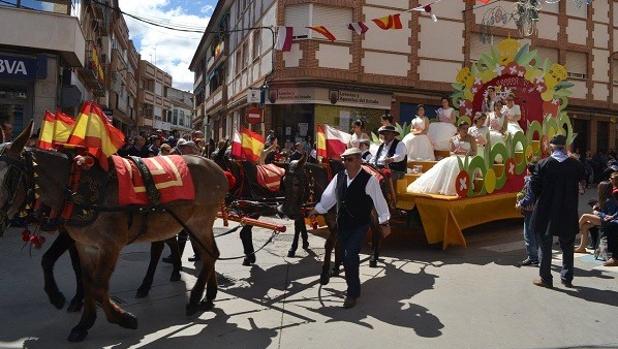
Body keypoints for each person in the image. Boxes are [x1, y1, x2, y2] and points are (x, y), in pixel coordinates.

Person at [309, 147, 390, 309]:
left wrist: (384, 222)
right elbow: (328, 197)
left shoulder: (369, 180)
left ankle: (352, 293)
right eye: (344, 159)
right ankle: (352, 286)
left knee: (349, 255)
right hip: (343, 223)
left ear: (359, 160)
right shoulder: (339, 177)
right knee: (345, 255)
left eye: (350, 159)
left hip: (360, 224)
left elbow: (380, 202)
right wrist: (317, 209)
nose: (346, 162)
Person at [529, 134, 586, 288]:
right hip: (567, 209)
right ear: (564, 146)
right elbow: (583, 182)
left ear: (552, 146)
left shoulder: (543, 164)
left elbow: (534, 188)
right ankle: (567, 278)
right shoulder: (576, 165)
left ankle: (546, 278)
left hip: (546, 210)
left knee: (545, 245)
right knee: (567, 245)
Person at [407, 121, 477, 196]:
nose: (465, 130)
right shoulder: (453, 139)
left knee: (458, 165)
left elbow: (474, 152)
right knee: (446, 164)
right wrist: (456, 152)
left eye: (467, 128)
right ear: (459, 129)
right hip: (455, 157)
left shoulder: (471, 138)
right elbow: (451, 152)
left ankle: (461, 188)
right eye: (464, 128)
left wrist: (465, 153)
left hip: (467, 158)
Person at [575, 181, 617, 253]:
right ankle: (582, 248)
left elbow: (610, 215)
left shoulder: (609, 200)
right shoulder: (605, 199)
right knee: (584, 226)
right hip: (603, 220)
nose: (597, 189)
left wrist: (598, 212)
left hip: (607, 221)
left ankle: (573, 232)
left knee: (585, 216)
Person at [516, 162, 539, 266]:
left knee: (529, 234)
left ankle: (533, 257)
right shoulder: (541, 179)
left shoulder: (530, 181)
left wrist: (520, 203)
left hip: (530, 210)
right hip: (539, 209)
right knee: (536, 234)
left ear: (528, 170)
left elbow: (530, 197)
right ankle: (537, 256)